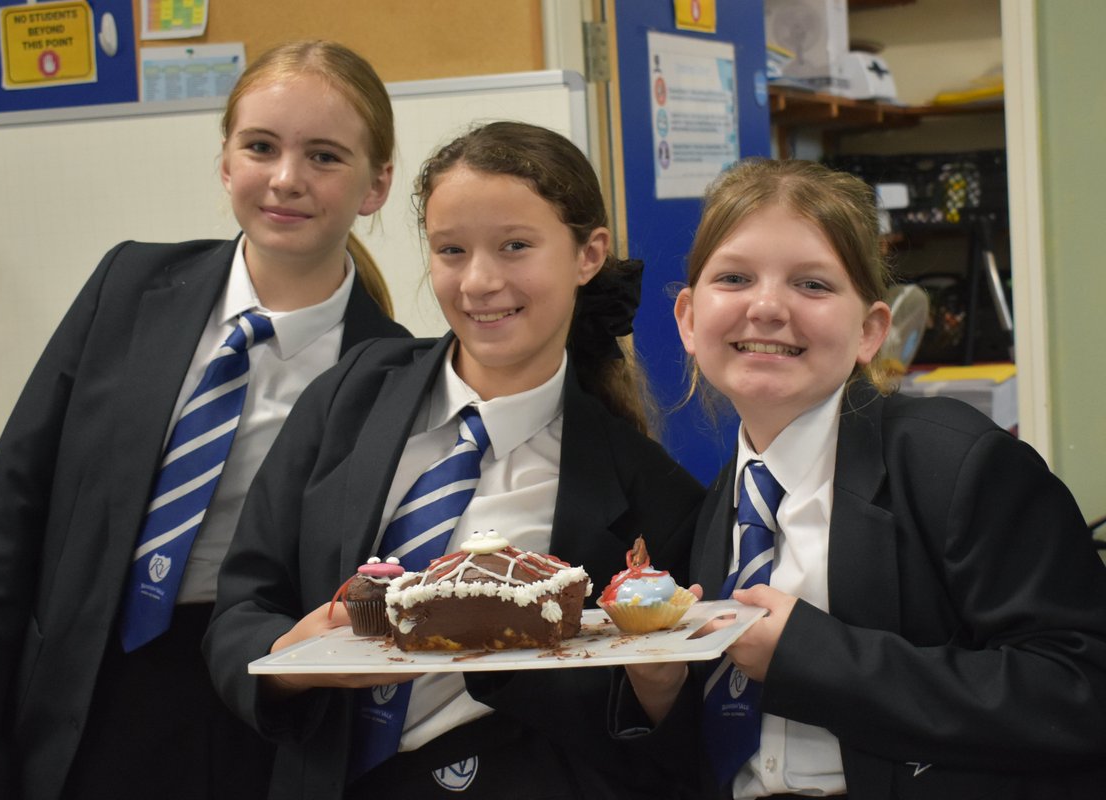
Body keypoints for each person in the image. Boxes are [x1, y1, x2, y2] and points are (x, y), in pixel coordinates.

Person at [0, 40, 410, 800]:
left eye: (323, 156)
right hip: (78, 689)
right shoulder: (129, 287)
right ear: (224, 162)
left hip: (250, 710)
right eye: (261, 147)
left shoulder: (392, 374)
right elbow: (5, 531)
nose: (286, 178)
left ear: (375, 184)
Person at [204, 121, 705, 799]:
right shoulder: (349, 398)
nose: (479, 281)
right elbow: (241, 606)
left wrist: (655, 687)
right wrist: (295, 661)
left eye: (516, 246)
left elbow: (661, 739)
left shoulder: (648, 491)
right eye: (451, 250)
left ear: (588, 255)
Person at [614, 158, 1106, 799]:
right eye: (734, 277)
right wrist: (661, 692)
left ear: (871, 329)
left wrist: (810, 658)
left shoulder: (956, 464)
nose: (766, 307)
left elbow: (1081, 689)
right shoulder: (717, 507)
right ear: (687, 318)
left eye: (812, 285)